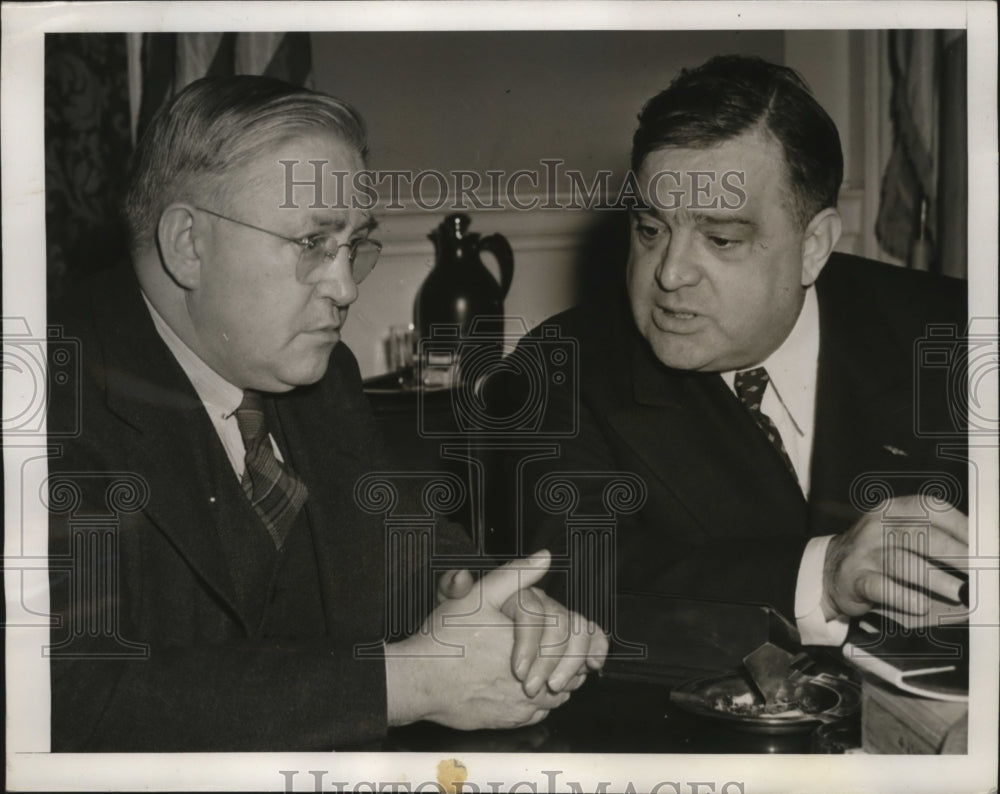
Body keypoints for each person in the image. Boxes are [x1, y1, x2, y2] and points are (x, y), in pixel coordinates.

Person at [46, 75, 606, 752]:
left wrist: (493, 600)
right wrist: (407, 684)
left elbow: (396, 542)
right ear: (188, 244)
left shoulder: (319, 375)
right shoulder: (42, 396)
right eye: (312, 243)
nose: (344, 289)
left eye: (353, 246)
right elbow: (65, 696)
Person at [515, 55, 969, 647]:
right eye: (650, 230)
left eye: (721, 238)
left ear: (814, 246)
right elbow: (571, 590)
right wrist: (824, 578)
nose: (670, 273)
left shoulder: (956, 332)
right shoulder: (560, 365)